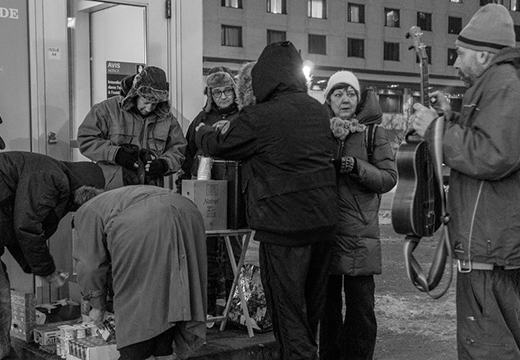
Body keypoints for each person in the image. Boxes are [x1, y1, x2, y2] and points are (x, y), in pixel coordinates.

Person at [412, 4, 520, 359]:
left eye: (460, 53)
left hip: (493, 248)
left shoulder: (507, 85)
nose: (455, 63)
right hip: (495, 246)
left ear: (484, 54)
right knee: (501, 344)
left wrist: (434, 128)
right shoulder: (504, 84)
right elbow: (493, 138)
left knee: (487, 349)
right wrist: (448, 118)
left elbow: (492, 154)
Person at [196, 41, 338, 360]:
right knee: (308, 314)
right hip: (323, 226)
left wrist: (203, 129)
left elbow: (219, 145)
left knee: (288, 316)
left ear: (264, 78)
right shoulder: (317, 110)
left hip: (284, 229)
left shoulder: (261, 116)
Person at [0, 151, 105, 360]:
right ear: (86, 191)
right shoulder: (51, 178)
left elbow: (21, 228)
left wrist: (37, 267)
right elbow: (26, 227)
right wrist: (46, 270)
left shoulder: (54, 177)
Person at [73, 185, 207, 360]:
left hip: (143, 219)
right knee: (174, 288)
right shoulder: (119, 196)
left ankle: (136, 351)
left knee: (136, 296)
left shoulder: (87, 210)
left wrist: (97, 305)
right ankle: (164, 350)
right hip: (188, 211)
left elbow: (90, 264)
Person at [319, 71, 397, 360]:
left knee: (361, 313)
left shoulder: (373, 133)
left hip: (360, 237)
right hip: (326, 232)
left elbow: (389, 177)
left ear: (358, 98)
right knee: (326, 313)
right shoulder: (319, 131)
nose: (345, 99)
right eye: (338, 93)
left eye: (350, 93)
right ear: (328, 100)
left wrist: (357, 168)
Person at [179, 66, 242, 319]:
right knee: (206, 248)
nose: (224, 96)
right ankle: (205, 309)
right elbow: (187, 152)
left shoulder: (244, 116)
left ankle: (234, 308)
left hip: (236, 190)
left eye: (228, 91)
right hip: (206, 190)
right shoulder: (201, 119)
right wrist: (182, 184)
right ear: (210, 95)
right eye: (218, 93)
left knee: (233, 248)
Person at [77, 65, 187, 190]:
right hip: (113, 190)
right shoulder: (106, 110)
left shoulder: (167, 119)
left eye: (155, 104)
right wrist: (115, 153)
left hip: (150, 190)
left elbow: (178, 149)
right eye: (145, 102)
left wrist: (164, 164)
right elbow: (85, 139)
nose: (150, 108)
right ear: (135, 94)